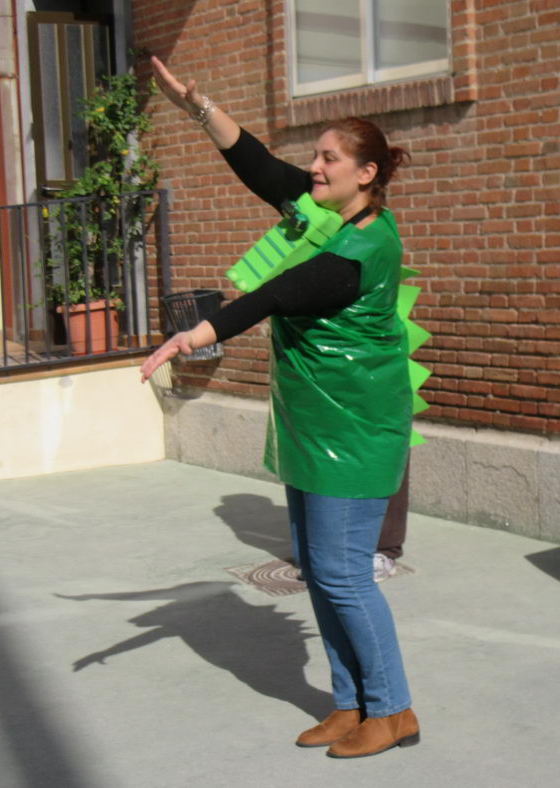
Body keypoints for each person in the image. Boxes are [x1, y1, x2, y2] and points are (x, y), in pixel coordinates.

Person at [140, 56, 420, 759]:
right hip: (311, 423)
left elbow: (279, 294)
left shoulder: (361, 245)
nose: (315, 168)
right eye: (316, 157)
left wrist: (195, 335)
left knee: (344, 577)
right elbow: (260, 166)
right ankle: (349, 702)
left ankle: (392, 709)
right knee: (318, 571)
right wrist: (199, 107)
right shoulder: (326, 214)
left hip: (352, 430)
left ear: (367, 175)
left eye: (328, 159)